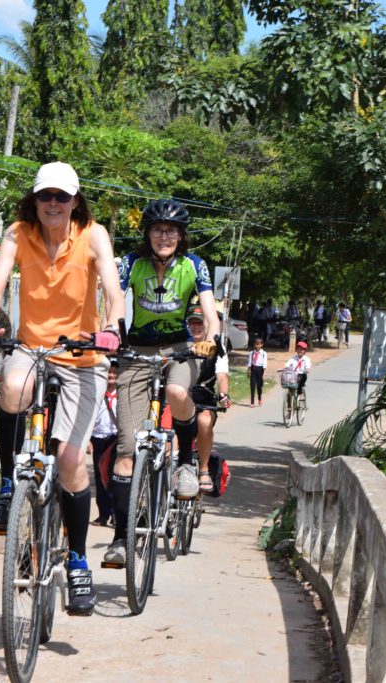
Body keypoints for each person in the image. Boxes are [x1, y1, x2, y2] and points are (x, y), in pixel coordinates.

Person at [0, 161, 125, 615]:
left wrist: (112, 327)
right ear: (34, 201)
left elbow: (113, 293)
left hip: (83, 355)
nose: (53, 204)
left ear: (76, 201)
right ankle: (6, 486)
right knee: (13, 388)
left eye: (62, 197)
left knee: (72, 459)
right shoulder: (19, 233)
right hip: (33, 347)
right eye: (45, 197)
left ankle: (77, 561)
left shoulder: (93, 234)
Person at [107, 198, 219, 566]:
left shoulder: (194, 265)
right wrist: (110, 330)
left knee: (176, 391)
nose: (164, 236)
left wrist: (211, 337)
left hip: (180, 349)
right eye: (158, 230)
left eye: (171, 231)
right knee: (125, 452)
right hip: (136, 351)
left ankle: (186, 459)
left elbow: (208, 308)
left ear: (181, 236)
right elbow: (112, 300)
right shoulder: (130, 264)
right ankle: (121, 537)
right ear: (148, 233)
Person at [188, 307, 231, 491]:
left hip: (203, 398)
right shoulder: (178, 344)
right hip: (179, 398)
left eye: (200, 322)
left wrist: (223, 395)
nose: (196, 327)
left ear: (207, 324)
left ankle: (204, 469)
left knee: (204, 421)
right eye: (192, 322)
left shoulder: (217, 349)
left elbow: (222, 376)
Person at [88, 361, 118, 526]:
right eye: (109, 372)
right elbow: (90, 417)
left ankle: (115, 513)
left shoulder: (122, 394)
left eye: (115, 372)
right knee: (100, 477)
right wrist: (87, 440)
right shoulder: (97, 394)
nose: (112, 375)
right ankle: (102, 514)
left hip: (115, 439)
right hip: (98, 437)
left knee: (114, 476)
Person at [247, 336, 267, 407]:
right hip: (253, 369)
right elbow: (249, 362)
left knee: (259, 385)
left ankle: (259, 398)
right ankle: (252, 402)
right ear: (254, 345)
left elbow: (264, 363)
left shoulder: (264, 353)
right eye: (256, 344)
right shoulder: (252, 353)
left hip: (260, 369)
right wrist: (248, 371)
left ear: (262, 345)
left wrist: (264, 373)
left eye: (259, 344)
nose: (257, 346)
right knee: (252, 386)